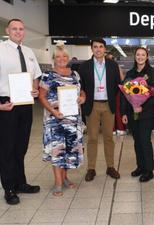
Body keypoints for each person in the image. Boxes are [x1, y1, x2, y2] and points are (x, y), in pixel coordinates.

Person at [0, 19, 42, 205]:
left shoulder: (28, 52)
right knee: (8, 147)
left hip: (25, 103)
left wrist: (34, 90)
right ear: (8, 30)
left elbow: (35, 76)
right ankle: (9, 188)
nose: (18, 32)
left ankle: (20, 182)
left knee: (21, 145)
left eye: (21, 29)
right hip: (6, 103)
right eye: (15, 29)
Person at [38, 42, 86, 196]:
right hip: (55, 120)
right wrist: (53, 111)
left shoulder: (75, 74)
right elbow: (41, 96)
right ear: (53, 58)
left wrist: (83, 98)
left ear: (68, 58)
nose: (61, 59)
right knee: (58, 150)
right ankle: (57, 182)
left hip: (72, 120)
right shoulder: (48, 75)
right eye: (58, 56)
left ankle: (65, 177)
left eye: (64, 56)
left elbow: (82, 92)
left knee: (69, 150)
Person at [78, 38, 121, 182]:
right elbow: (81, 86)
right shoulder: (84, 66)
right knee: (92, 138)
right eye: (95, 47)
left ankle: (110, 166)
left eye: (101, 47)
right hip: (92, 105)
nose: (98, 49)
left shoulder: (113, 65)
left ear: (105, 48)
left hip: (108, 105)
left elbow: (117, 85)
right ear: (92, 49)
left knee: (109, 137)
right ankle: (91, 168)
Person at [121, 47, 154, 182]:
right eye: (138, 55)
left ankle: (149, 170)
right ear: (135, 57)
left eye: (142, 55)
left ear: (146, 57)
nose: (140, 57)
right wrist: (124, 113)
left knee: (145, 141)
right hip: (133, 114)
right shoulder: (130, 74)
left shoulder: (152, 73)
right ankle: (140, 166)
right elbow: (125, 95)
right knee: (137, 141)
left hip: (147, 114)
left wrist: (143, 108)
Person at [105, 53, 126, 135]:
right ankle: (117, 129)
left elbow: (122, 78)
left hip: (114, 90)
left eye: (112, 58)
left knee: (115, 109)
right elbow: (122, 78)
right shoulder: (116, 66)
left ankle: (115, 129)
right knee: (112, 109)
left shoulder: (113, 67)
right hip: (110, 90)